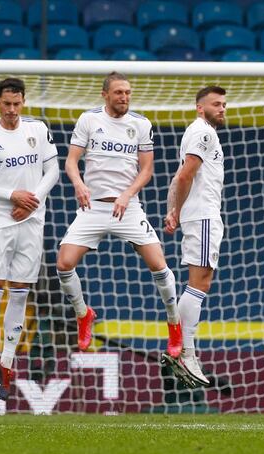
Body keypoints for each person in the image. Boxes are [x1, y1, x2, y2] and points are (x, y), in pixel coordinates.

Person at [56, 71, 181, 357]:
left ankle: (174, 324)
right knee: (64, 264)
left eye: (127, 92)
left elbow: (147, 169)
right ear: (105, 94)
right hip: (93, 206)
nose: (124, 97)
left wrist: (127, 195)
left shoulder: (140, 124)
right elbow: (72, 161)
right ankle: (83, 314)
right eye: (118, 93)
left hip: (128, 207)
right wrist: (79, 184)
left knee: (159, 265)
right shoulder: (89, 120)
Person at [0, 77, 59, 401]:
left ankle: (6, 363)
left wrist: (31, 199)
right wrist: (11, 196)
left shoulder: (37, 129)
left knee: (20, 290)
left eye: (17, 104)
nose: (12, 110)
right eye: (7, 104)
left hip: (31, 221)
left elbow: (53, 171)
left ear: (23, 101)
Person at [163, 86, 227, 387]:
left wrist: (172, 210)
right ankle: (184, 350)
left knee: (201, 281)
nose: (222, 109)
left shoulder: (199, 132)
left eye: (224, 104)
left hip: (201, 215)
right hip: (203, 216)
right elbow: (186, 174)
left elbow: (179, 176)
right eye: (216, 104)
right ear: (200, 108)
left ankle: (182, 347)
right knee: (199, 282)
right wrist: (176, 209)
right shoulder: (203, 132)